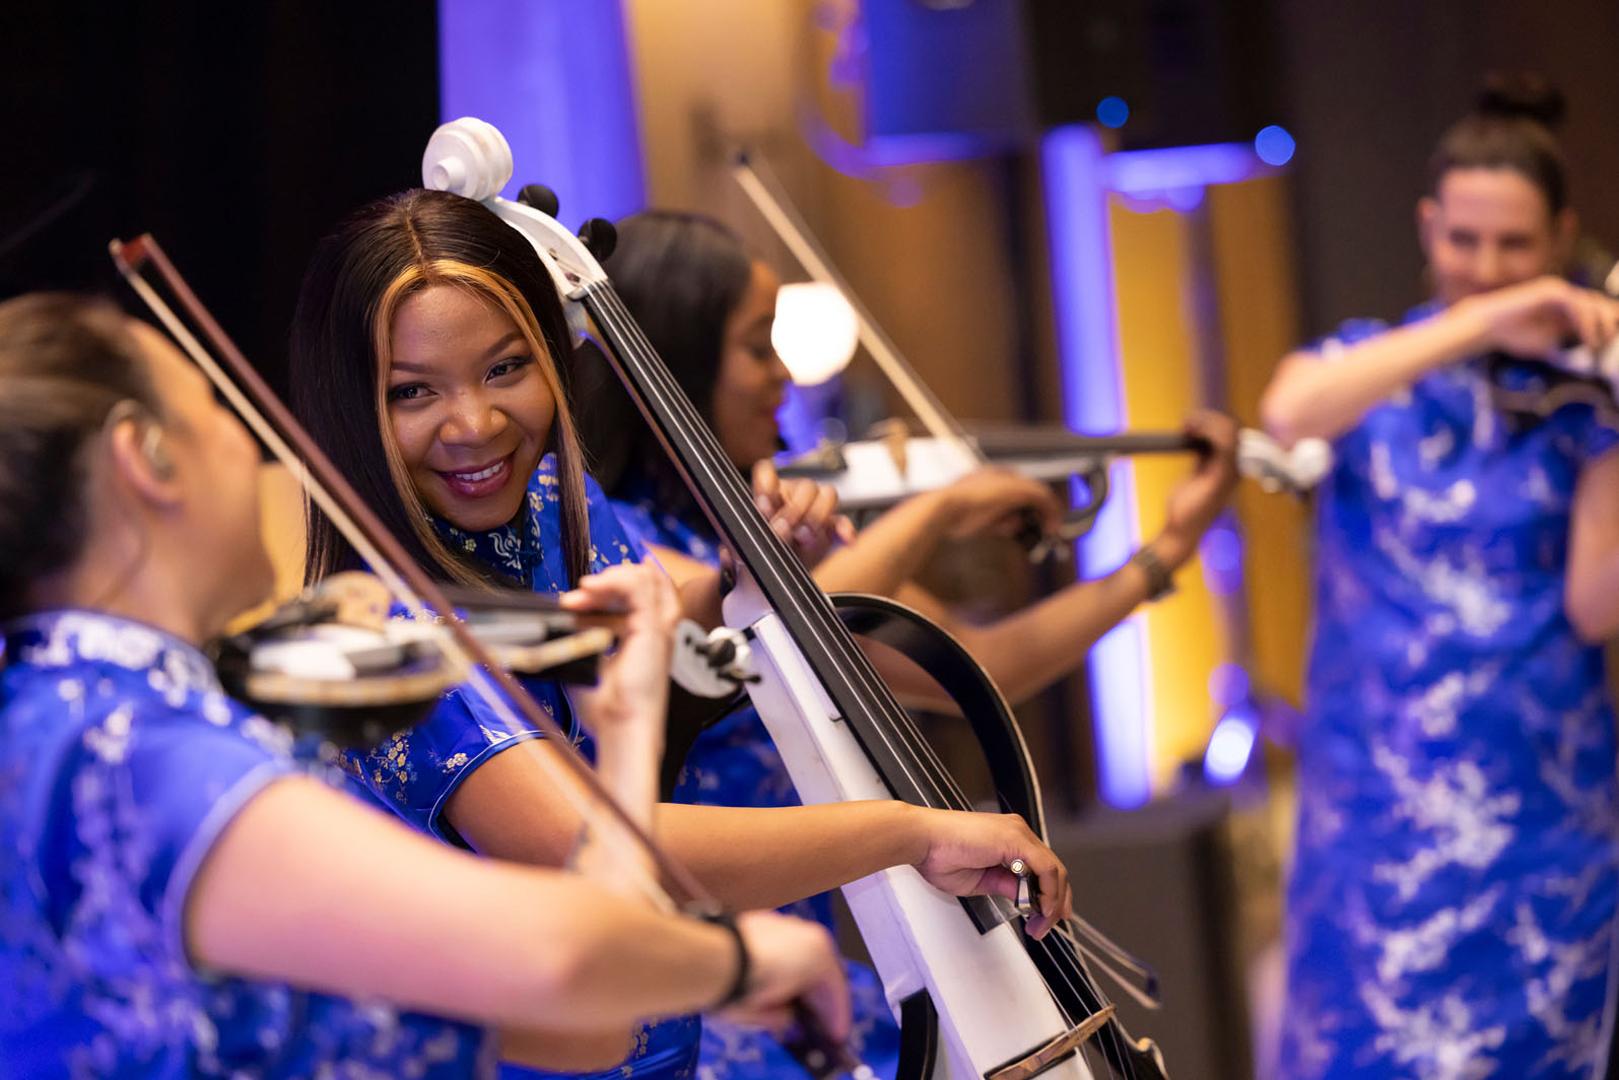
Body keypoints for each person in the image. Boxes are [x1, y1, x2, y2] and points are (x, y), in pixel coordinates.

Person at [286, 188, 1078, 1080]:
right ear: (350, 407)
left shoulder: (560, 508)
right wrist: (910, 833)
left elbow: (669, 609)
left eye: (506, 368)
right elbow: (587, 845)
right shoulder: (388, 634)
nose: (474, 423)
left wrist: (750, 570)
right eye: (412, 391)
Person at [0, 292, 852, 1077]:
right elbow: (560, 960)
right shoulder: (131, 751)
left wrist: (624, 733)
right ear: (143, 458)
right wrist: (733, 959)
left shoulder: (52, 725)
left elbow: (583, 1027)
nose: (252, 442)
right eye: (213, 408)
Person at [580, 209, 1239, 1078]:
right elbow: (779, 620)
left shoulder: (759, 520)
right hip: (709, 991)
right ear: (675, 360)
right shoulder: (621, 542)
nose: (783, 375)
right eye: (756, 347)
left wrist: (1161, 556)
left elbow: (972, 662)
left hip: (817, 964)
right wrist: (941, 511)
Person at [1259, 77, 1619, 1079]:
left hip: (1539, 835)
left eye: (1514, 247)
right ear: (1426, 227)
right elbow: (1287, 414)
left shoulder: (1587, 401)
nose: (1486, 268)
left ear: (1560, 238)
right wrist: (1482, 320)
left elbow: (1593, 606)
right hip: (1375, 827)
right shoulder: (1368, 368)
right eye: (1463, 241)